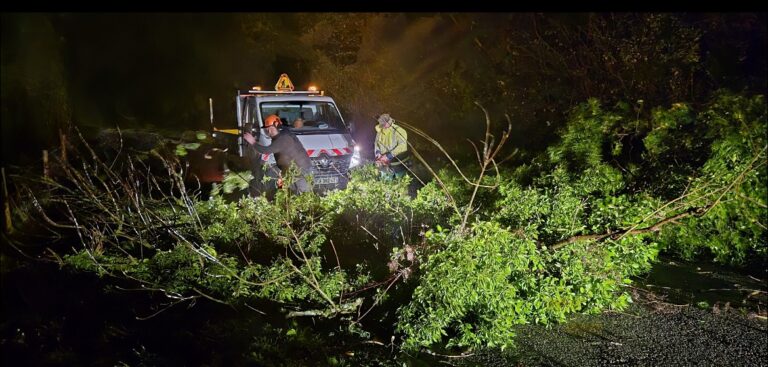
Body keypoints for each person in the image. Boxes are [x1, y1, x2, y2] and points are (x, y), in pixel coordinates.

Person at [243, 114, 312, 194]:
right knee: (283, 191)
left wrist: (253, 142)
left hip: (301, 172)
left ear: (273, 127)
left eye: (269, 129)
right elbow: (282, 157)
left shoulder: (284, 138)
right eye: (266, 129)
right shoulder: (279, 137)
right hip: (289, 171)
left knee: (302, 195)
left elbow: (266, 150)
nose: (268, 131)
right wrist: (281, 172)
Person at [374, 113, 410, 179]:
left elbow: (402, 146)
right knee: (386, 182)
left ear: (389, 122)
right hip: (384, 164)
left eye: (384, 125)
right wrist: (378, 153)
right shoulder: (380, 132)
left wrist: (388, 156)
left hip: (398, 163)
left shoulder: (399, 131)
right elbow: (377, 144)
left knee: (401, 182)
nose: (383, 127)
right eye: (381, 125)